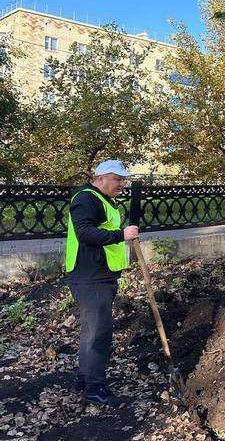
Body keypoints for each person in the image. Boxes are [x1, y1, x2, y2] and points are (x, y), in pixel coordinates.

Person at [66, 160, 139, 405]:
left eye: (122, 179)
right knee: (99, 331)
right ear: (101, 178)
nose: (121, 184)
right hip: (90, 276)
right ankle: (94, 388)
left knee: (92, 328)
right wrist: (121, 235)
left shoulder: (104, 200)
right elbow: (84, 232)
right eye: (117, 179)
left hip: (99, 274)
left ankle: (85, 378)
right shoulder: (86, 198)